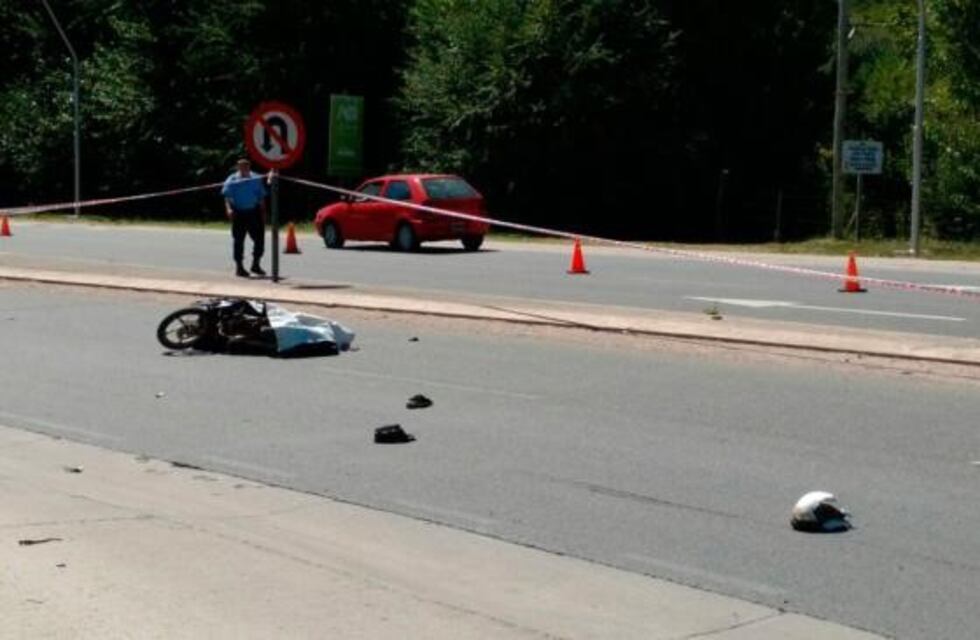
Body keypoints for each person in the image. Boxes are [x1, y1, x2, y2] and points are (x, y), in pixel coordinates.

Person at [221, 159, 267, 277]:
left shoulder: (255, 178)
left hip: (253, 212)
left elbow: (261, 196)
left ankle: (255, 264)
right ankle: (239, 267)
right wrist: (229, 209)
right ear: (238, 167)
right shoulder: (232, 180)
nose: (244, 168)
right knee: (238, 240)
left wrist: (263, 212)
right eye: (241, 166)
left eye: (246, 166)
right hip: (239, 213)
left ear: (249, 167)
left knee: (259, 239)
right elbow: (227, 196)